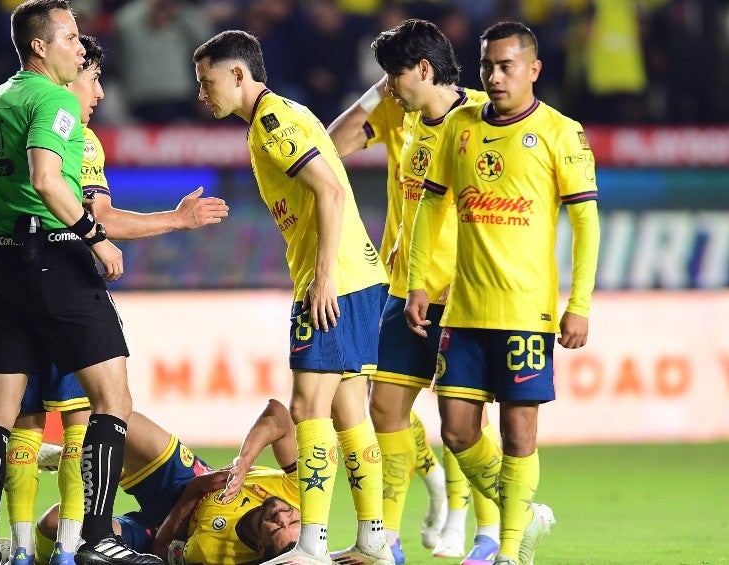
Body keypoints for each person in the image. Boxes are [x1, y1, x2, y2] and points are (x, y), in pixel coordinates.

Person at [0, 33, 229, 565]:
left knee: (21, 423)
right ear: (66, 77)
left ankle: (14, 551)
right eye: (94, 78)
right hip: (67, 287)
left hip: (13, 279)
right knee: (96, 412)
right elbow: (98, 219)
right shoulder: (77, 139)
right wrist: (176, 219)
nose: (100, 92)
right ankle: (77, 546)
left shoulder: (14, 121)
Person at [0, 2, 160, 564]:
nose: (79, 46)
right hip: (57, 259)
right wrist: (96, 238)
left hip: (4, 266)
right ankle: (97, 538)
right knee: (112, 400)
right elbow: (47, 180)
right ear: (40, 47)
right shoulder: (54, 100)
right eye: (70, 37)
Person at [193, 30, 392, 565]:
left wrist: (322, 278)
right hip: (358, 276)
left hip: (334, 279)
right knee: (348, 409)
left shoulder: (271, 123)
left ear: (239, 75)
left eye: (207, 82)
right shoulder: (286, 113)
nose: (202, 94)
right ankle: (374, 540)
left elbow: (330, 190)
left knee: (307, 406)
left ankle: (312, 544)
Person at [405, 21, 600, 565]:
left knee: (518, 435)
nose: (494, 77)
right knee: (456, 431)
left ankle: (509, 551)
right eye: (487, 66)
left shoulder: (561, 132)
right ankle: (524, 511)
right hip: (464, 309)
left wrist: (579, 304)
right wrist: (417, 280)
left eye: (506, 66)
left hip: (525, 310)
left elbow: (587, 224)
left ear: (533, 69)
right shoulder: (459, 125)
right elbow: (431, 204)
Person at [330, 19, 502, 565]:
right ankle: (387, 541)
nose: (390, 85)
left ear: (424, 69)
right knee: (385, 409)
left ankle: (491, 533)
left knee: (465, 421)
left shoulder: (484, 116)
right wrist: (377, 91)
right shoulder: (395, 110)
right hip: (404, 288)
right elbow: (331, 146)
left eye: (394, 74)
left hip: (466, 292)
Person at [25, 399, 301, 565]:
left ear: (261, 547)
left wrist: (195, 491)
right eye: (294, 521)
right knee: (114, 414)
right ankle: (87, 458)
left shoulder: (215, 555)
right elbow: (278, 415)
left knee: (54, 524)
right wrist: (245, 459)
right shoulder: (299, 494)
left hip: (163, 528)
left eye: (277, 528)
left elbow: (162, 550)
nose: (282, 517)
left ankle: (36, 557)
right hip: (185, 479)